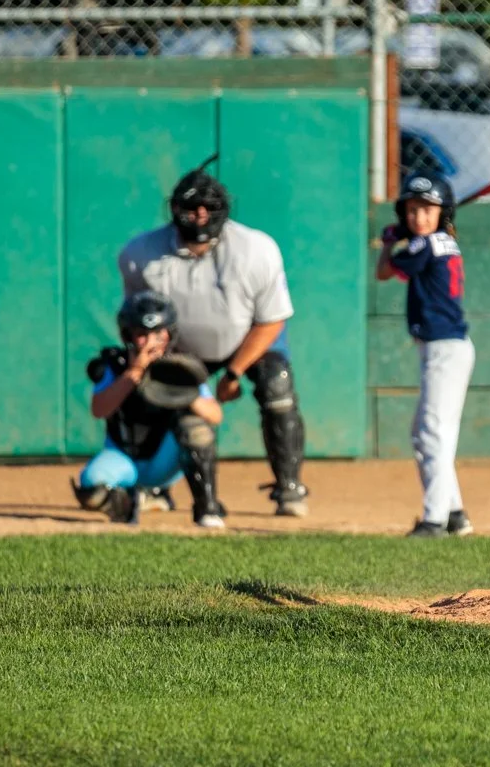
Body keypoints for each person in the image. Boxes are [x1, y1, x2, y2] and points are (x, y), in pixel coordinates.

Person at [118, 162, 311, 516]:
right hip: (180, 348)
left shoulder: (256, 249)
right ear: (175, 209)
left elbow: (271, 322)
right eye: (191, 208)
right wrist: (150, 360)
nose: (200, 215)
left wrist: (235, 372)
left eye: (208, 207)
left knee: (276, 382)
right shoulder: (141, 255)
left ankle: (290, 487)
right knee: (152, 391)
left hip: (247, 342)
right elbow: (134, 320)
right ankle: (156, 486)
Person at [374, 172, 476, 539]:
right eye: (413, 209)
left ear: (442, 213)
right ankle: (454, 513)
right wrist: (402, 238)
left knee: (432, 432)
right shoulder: (440, 241)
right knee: (426, 433)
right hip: (443, 349)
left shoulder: (428, 245)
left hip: (445, 349)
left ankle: (434, 520)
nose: (419, 216)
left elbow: (384, 271)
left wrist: (389, 242)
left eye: (428, 209)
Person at [71, 291, 225, 528]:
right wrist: (135, 373)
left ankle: (207, 508)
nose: (151, 341)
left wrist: (185, 395)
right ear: (129, 335)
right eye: (142, 335)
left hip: (164, 460)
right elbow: (99, 409)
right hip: (124, 458)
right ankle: (127, 502)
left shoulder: (180, 367)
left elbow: (215, 415)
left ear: (169, 334)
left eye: (158, 334)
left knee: (195, 428)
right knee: (90, 488)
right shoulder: (116, 365)